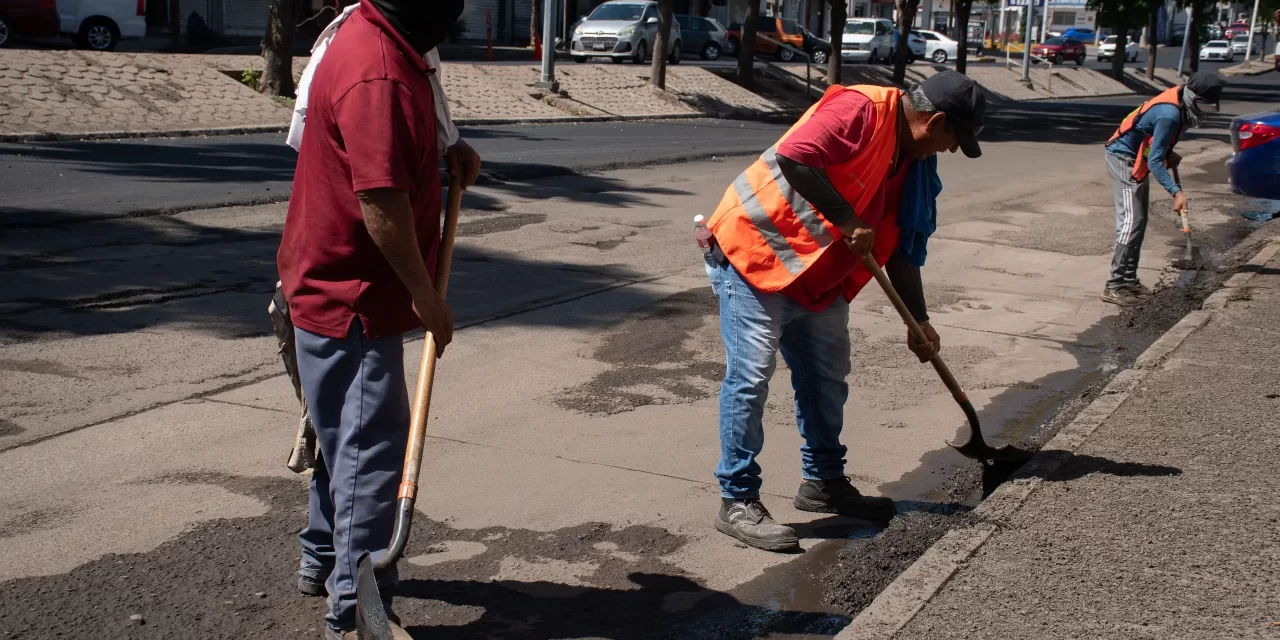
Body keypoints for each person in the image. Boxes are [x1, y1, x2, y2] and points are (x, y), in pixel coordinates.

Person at [702, 71, 987, 552]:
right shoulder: (860, 109)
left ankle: (824, 483)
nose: (951, 151)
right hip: (756, 253)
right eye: (953, 139)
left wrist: (918, 319)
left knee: (827, 379)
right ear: (935, 121)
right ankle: (738, 501)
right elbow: (796, 156)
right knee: (750, 379)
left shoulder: (914, 164)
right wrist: (849, 218)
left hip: (817, 275)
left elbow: (900, 245)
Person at [274, 0, 480, 637]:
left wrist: (450, 150)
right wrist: (426, 296)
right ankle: (354, 615)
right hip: (351, 296)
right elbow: (380, 199)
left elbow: (393, 152)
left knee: (343, 436)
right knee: (368, 454)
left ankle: (320, 558)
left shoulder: (381, 35)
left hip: (338, 284)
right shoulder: (380, 70)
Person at [1101, 71, 1225, 306]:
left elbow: (1153, 140)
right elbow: (1156, 161)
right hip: (1123, 158)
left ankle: (1129, 280)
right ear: (1192, 96)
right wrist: (1176, 193)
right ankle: (1115, 285)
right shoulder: (1170, 113)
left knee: (1140, 221)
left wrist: (1168, 152)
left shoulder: (1180, 103)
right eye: (1202, 106)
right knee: (1131, 222)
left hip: (1139, 157)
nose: (1203, 113)